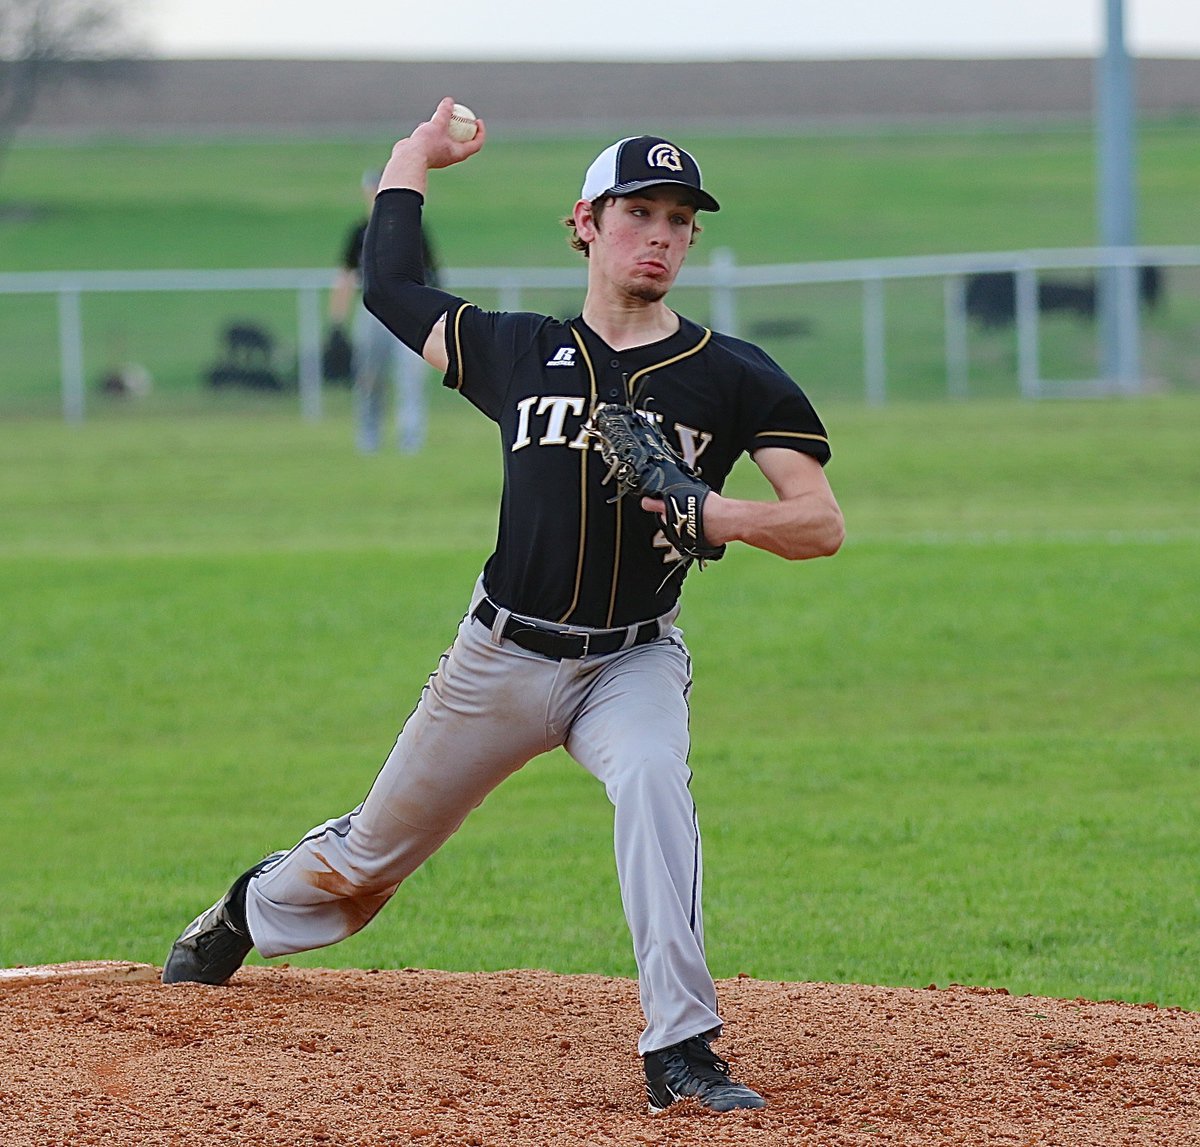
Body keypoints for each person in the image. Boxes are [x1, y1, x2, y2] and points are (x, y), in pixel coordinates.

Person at [163, 98, 845, 1115]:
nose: (658, 235)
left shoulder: (732, 376)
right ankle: (249, 907)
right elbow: (391, 285)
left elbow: (820, 522)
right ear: (585, 222)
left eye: (678, 220)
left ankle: (682, 1049)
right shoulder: (519, 352)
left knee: (655, 785)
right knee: (366, 861)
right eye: (638, 212)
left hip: (631, 661)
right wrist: (413, 155)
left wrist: (713, 509)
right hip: (499, 658)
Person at [328, 168, 441, 453]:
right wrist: (337, 322)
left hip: (410, 313)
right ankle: (368, 441)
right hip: (372, 312)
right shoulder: (360, 232)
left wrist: (434, 318)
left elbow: (433, 275)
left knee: (409, 379)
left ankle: (410, 441)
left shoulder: (409, 228)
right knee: (368, 379)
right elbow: (346, 276)